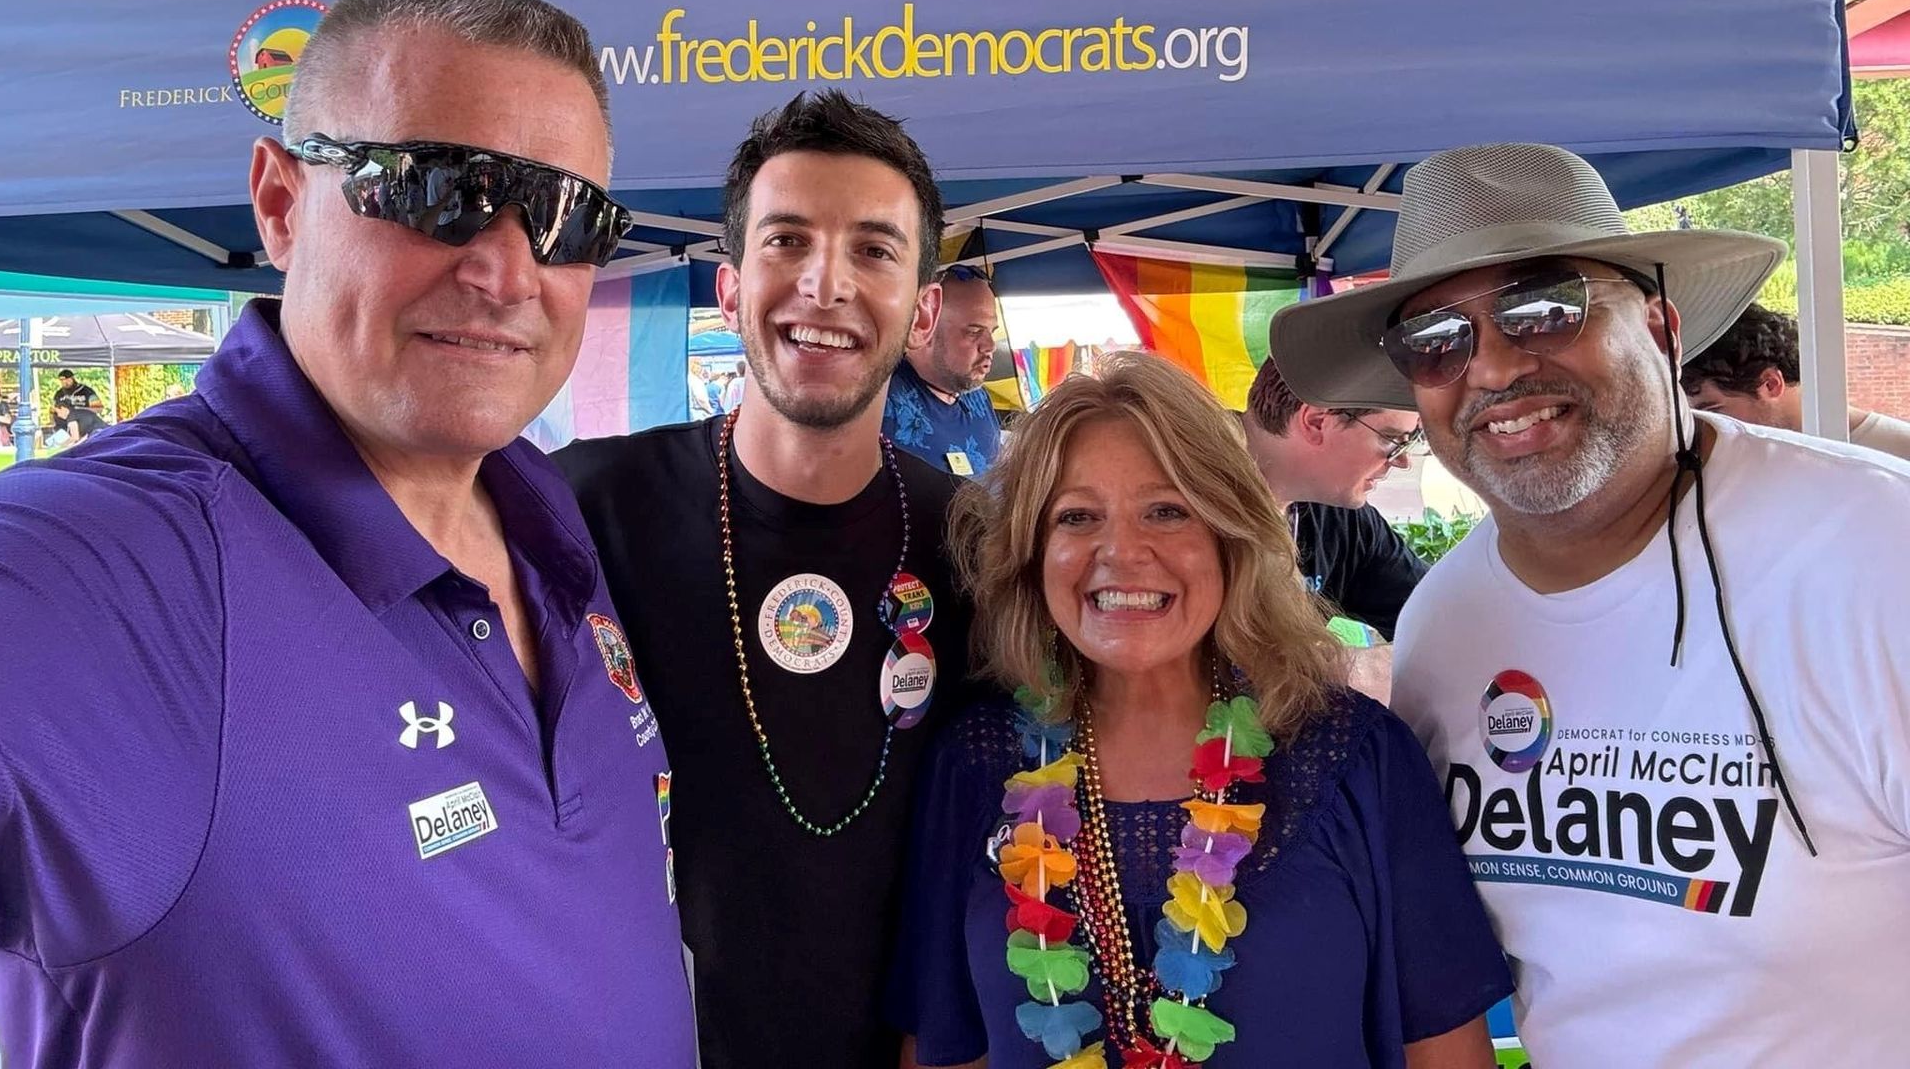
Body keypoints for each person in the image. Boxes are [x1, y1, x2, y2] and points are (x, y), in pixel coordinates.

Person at [0, 0, 697, 1067]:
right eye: (435, 188)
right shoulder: (109, 567)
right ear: (281, 203)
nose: (508, 269)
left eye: (568, 217)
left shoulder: (541, 508)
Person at [1269, 142, 1910, 1068]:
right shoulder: (1447, 623)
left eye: (1542, 309)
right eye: (1437, 340)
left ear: (1661, 328)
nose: (1493, 369)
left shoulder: (1875, 550)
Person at [892, 352, 1507, 1068]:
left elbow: (1447, 1051)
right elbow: (942, 1050)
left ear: (1229, 534)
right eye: (1077, 516)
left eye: (1167, 510)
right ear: (1033, 553)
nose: (1122, 553)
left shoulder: (1355, 757)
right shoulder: (975, 763)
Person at [556, 90, 970, 1069]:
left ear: (923, 309)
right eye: (788, 241)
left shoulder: (975, 544)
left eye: (874, 250)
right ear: (731, 289)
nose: (825, 284)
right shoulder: (580, 509)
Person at [1240, 355, 1427, 640]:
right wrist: (1344, 662)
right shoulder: (1186, 491)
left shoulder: (1339, 514)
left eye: (1410, 441)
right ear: (1317, 422)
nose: (1402, 461)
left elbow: (1437, 616)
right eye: (1391, 440)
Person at [1681, 301, 1910, 459]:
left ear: (1771, 384)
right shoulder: (1738, 467)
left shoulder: (1899, 452)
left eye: (1713, 411)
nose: (1701, 427)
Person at [883, 262, 1005, 476]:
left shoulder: (978, 398)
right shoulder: (879, 402)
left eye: (991, 331)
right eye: (974, 331)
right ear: (923, 327)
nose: (990, 346)